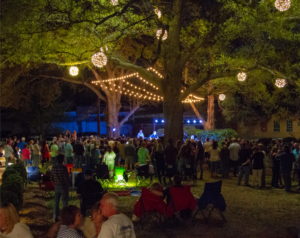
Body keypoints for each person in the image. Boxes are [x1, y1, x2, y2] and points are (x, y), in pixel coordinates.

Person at [51, 154, 69, 222]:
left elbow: (51, 177)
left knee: (56, 202)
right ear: (62, 160)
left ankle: (55, 216)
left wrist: (55, 182)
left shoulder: (54, 167)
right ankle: (64, 217)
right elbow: (66, 178)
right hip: (63, 186)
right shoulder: (64, 168)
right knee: (65, 202)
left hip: (57, 186)